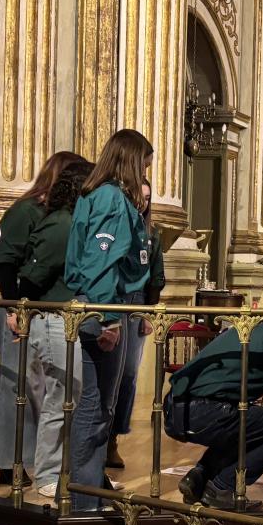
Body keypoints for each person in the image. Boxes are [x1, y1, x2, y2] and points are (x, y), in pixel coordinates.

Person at [62, 129, 156, 511]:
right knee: (97, 409)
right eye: (146, 163)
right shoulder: (114, 200)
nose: (148, 170)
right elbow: (102, 263)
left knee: (97, 406)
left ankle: (87, 490)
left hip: (91, 305)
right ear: (132, 161)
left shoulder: (91, 194)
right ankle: (86, 499)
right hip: (103, 309)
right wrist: (111, 320)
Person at [0, 149, 88, 486]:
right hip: (20, 305)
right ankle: (12, 461)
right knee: (17, 384)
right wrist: (16, 307)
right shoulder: (26, 210)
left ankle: (37, 461)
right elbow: (5, 260)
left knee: (45, 389)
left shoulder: (60, 215)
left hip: (40, 308)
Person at [166, 297, 263, 511]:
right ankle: (222, 487)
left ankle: (198, 478)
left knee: (252, 422)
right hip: (202, 410)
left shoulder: (262, 329)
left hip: (175, 407)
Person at [14, 158, 94, 498]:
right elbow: (32, 277)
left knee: (71, 397)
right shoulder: (61, 224)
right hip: (52, 319)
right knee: (61, 397)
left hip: (68, 319)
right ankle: (47, 473)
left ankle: (67, 470)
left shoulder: (74, 222)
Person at [106, 183, 165, 470]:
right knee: (109, 374)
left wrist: (148, 313)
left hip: (137, 303)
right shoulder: (115, 225)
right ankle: (97, 437)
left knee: (128, 373)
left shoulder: (152, 234)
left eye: (147, 199)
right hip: (111, 298)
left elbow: (156, 274)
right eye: (139, 197)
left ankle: (113, 439)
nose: (143, 203)